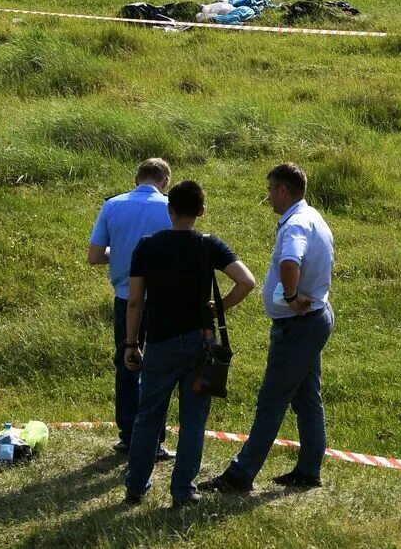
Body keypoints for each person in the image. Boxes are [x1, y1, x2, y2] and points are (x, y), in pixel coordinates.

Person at [123, 180, 257, 508]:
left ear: (169, 209)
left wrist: (130, 343)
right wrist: (221, 305)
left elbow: (136, 302)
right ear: (201, 211)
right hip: (200, 344)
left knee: (148, 417)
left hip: (160, 343)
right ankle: (183, 490)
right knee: (194, 420)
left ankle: (135, 487)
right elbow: (247, 281)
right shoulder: (209, 245)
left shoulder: (146, 246)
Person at [205, 162, 335, 494]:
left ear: (282, 190)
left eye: (270, 191)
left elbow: (290, 262)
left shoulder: (294, 225)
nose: (268, 198)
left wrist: (291, 296)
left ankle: (241, 474)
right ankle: (308, 470)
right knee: (307, 398)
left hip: (297, 325)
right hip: (313, 320)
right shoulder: (313, 217)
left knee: (271, 401)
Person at [89, 158, 175, 459]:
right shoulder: (169, 207)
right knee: (159, 367)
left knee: (127, 362)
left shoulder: (112, 205)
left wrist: (121, 252)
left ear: (136, 178)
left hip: (126, 298)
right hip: (164, 299)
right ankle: (155, 438)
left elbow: (95, 255)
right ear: (165, 182)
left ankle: (128, 434)